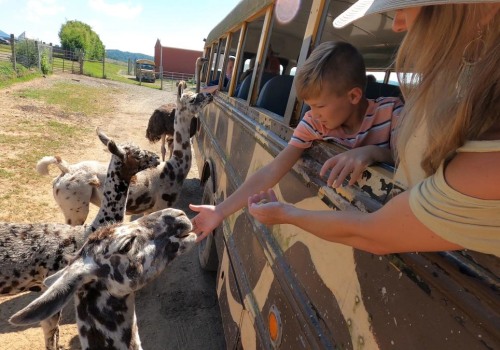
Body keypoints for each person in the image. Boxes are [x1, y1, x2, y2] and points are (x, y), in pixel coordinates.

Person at [246, 1, 500, 257]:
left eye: (404, 7)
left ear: (485, 7)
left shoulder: (482, 159)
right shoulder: (316, 122)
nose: (397, 24)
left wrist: (285, 213)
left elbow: (375, 233)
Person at [190, 41, 404, 241]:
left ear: (354, 96)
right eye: (309, 106)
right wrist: (220, 211)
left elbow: (417, 165)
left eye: (319, 106)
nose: (313, 113)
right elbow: (272, 171)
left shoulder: (393, 115)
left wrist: (373, 153)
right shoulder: (315, 123)